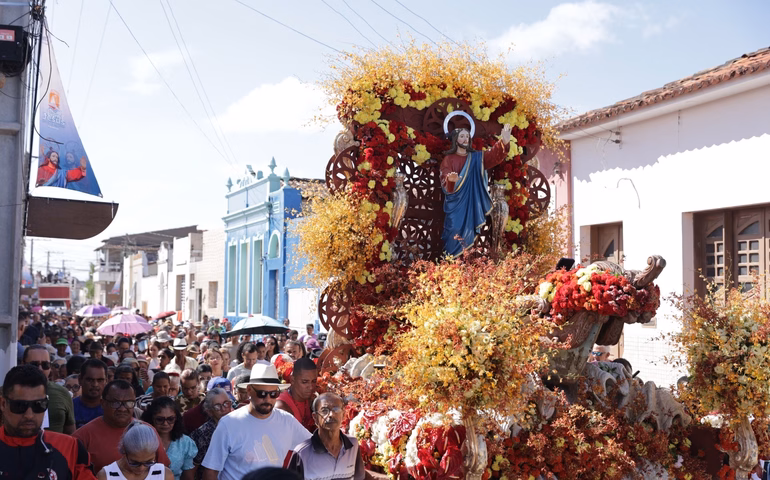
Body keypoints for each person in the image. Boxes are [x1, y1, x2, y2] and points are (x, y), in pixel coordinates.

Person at [201, 364, 311, 480]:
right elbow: (211, 472)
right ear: (249, 390)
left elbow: (314, 448)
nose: (267, 399)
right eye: (262, 394)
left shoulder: (287, 421)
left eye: (273, 394)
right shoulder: (228, 424)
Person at [1, 365, 96, 480]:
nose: (29, 415)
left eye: (39, 405)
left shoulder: (70, 447)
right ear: (3, 404)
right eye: (20, 406)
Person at [439, 122, 512, 256]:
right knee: (453, 229)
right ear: (456, 139)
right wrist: (450, 180)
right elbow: (445, 177)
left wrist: (504, 142)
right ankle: (449, 265)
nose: (465, 139)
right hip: (455, 204)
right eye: (462, 136)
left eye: (467, 136)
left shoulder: (476, 158)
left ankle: (464, 264)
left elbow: (492, 156)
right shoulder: (449, 159)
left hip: (472, 204)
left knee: (469, 232)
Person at [73, 380, 172, 473]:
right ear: (102, 403)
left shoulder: (148, 431)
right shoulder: (83, 436)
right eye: (116, 403)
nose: (122, 409)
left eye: (129, 403)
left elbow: (163, 471)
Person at [287, 392, 365, 480]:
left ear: (343, 415)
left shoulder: (352, 445)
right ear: (315, 417)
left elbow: (359, 477)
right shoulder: (302, 452)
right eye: (324, 410)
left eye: (336, 409)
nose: (331, 415)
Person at [23, 344, 76, 434]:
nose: (40, 369)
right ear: (23, 364)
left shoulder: (62, 393)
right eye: (34, 364)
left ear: (50, 367)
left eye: (45, 365)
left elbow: (70, 433)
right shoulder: (7, 393)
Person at [141, 397, 198, 480]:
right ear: (151, 419)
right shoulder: (142, 440)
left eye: (170, 419)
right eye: (160, 419)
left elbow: (188, 477)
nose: (165, 423)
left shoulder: (185, 443)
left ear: (176, 419)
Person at [96, 422, 174, 480]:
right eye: (135, 463)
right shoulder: (106, 476)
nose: (141, 468)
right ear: (124, 450)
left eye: (149, 462)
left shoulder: (164, 475)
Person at [190, 388, 233, 475]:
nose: (223, 409)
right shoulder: (203, 434)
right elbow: (191, 469)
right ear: (209, 411)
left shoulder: (238, 425)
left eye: (226, 403)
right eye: (217, 406)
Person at [276, 357, 318, 432]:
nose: (311, 387)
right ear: (292, 380)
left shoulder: (310, 399)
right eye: (305, 382)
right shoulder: (281, 406)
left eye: (314, 381)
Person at [75, 358, 107, 429]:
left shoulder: (111, 410)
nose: (95, 384)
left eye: (100, 380)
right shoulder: (70, 408)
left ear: (106, 381)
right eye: (90, 380)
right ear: (80, 380)